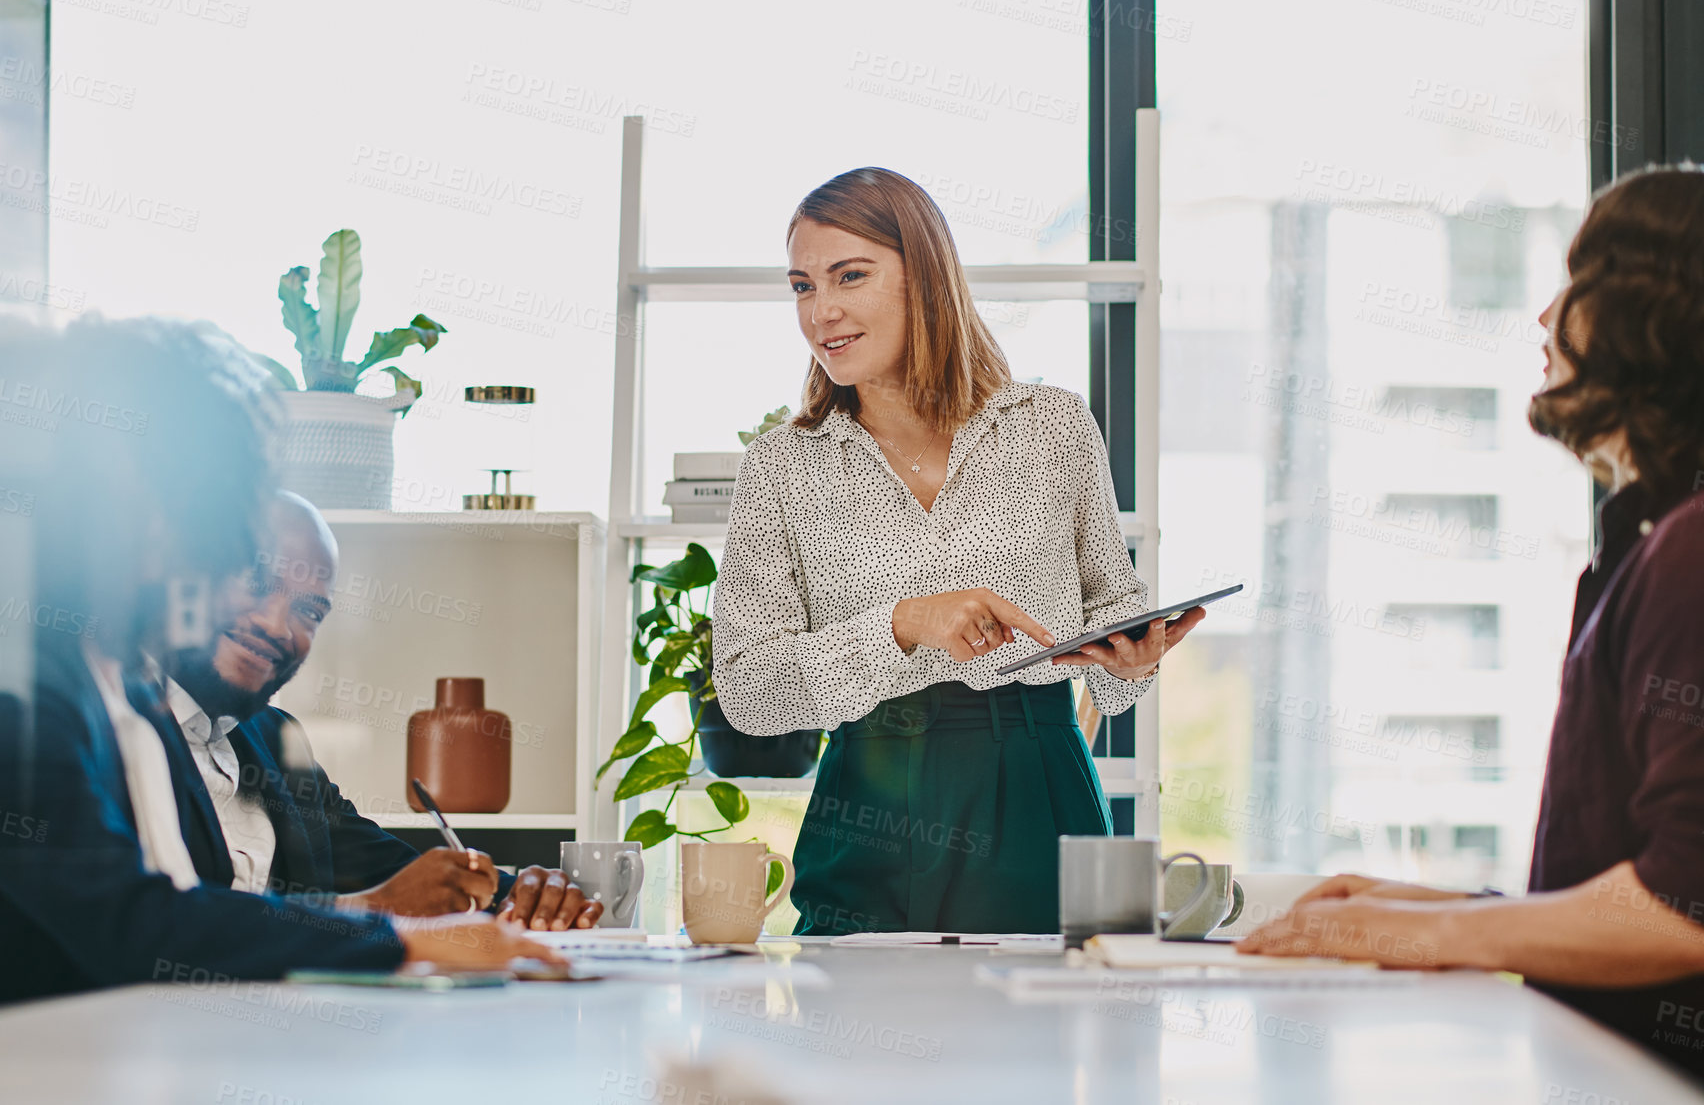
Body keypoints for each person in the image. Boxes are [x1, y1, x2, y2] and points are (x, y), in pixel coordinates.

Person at [1236, 166, 1704, 1076]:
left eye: (1578, 283)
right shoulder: (1648, 540)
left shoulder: (1688, 551)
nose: (1546, 318)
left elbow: (1682, 909)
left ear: (1652, 310)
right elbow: (1626, 876)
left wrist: (1436, 930)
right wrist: (1420, 906)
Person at [0, 318, 558, 1004]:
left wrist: (508, 899)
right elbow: (128, 920)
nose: (203, 559)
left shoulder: (111, 681)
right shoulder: (27, 681)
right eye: (214, 529)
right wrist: (400, 938)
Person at [711, 168, 1205, 934]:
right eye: (803, 286)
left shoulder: (1053, 427)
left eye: (850, 276)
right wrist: (903, 625)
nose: (822, 311)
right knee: (847, 1038)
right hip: (866, 796)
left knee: (1037, 1038)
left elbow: (1111, 605)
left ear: (926, 278)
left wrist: (1130, 662)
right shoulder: (784, 464)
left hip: (1038, 783)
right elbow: (748, 693)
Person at [140, 489, 602, 930]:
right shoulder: (104, 722)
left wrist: (522, 896)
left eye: (310, 612)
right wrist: (370, 909)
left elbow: (392, 869)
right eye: (256, 584)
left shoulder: (276, 739)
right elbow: (145, 923)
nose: (276, 625)